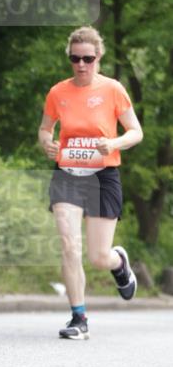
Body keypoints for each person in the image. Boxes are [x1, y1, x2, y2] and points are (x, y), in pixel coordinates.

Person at [38, 26, 143, 340]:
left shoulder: (112, 89)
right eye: (75, 58)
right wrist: (47, 142)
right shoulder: (58, 92)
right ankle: (78, 318)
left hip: (102, 175)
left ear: (99, 57)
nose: (81, 65)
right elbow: (45, 129)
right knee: (70, 245)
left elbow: (136, 131)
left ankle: (118, 263)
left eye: (87, 58)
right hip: (67, 172)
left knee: (98, 257)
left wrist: (113, 143)